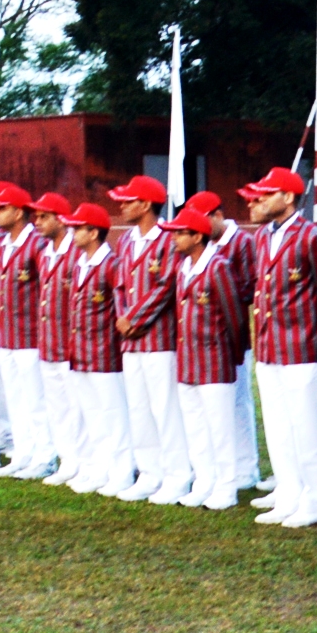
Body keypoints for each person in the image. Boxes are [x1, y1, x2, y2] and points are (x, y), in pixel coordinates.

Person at [245, 168, 317, 528]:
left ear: (289, 198)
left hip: (302, 344)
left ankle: (314, 500)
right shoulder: (263, 236)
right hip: (269, 344)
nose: (262, 200)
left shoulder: (312, 236)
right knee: (278, 427)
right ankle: (289, 492)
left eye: (269, 194)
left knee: (306, 426)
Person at [108, 173, 192, 503]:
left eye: (128, 201)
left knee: (165, 409)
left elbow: (166, 285)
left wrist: (135, 318)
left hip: (159, 338)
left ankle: (177, 475)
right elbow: (118, 284)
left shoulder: (168, 240)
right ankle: (149, 472)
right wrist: (122, 316)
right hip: (131, 340)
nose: (122, 206)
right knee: (139, 408)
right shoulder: (127, 241)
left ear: (145, 205)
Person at [167, 206, 249, 509]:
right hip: (189, 360)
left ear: (197, 236)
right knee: (196, 427)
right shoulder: (183, 267)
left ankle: (226, 487)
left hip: (214, 359)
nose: (175, 239)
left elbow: (234, 315)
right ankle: (204, 481)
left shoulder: (218, 267)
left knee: (220, 428)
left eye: (180, 234)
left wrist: (231, 354)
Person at [65, 200, 137, 495]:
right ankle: (101, 468)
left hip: (104, 351)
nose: (73, 234)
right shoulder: (80, 263)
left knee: (113, 415)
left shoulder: (111, 265)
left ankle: (122, 471)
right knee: (93, 414)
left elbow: (120, 308)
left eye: (78, 228)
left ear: (94, 232)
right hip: (81, 351)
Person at [0, 183, 53, 479]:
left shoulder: (36, 244)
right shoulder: (3, 244)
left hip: (30, 334)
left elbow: (46, 289)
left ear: (18, 212)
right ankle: (24, 453)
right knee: (15, 398)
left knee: (36, 400)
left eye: (2, 208)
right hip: (8, 333)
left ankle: (45, 456)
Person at [31, 193, 86, 487]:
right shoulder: (44, 253)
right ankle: (68, 459)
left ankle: (84, 461)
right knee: (57, 406)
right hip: (49, 341)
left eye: (44, 217)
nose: (37, 222)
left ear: (61, 220)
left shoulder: (75, 252)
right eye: (37, 217)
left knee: (77, 407)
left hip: (70, 342)